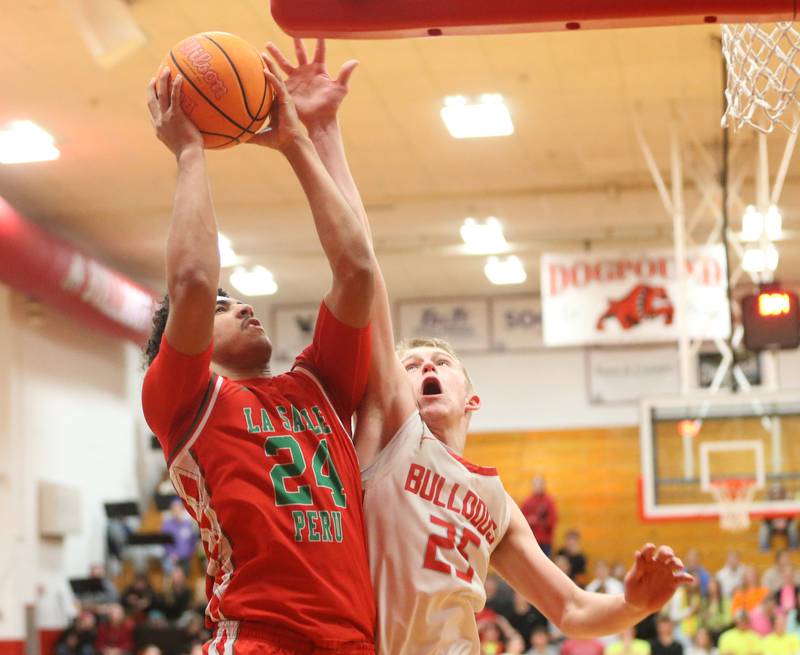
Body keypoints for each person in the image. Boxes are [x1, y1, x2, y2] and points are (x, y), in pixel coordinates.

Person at [264, 37, 694, 655]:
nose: (425, 368)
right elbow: (364, 265)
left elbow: (570, 607)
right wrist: (325, 130)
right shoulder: (389, 430)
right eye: (411, 364)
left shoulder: (494, 499)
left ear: (472, 401)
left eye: (441, 363)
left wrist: (634, 605)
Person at [141, 59, 377, 653]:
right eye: (225, 307)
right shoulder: (185, 401)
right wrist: (190, 152)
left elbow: (357, 272)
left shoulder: (316, 384)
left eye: (239, 300)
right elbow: (193, 281)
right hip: (259, 640)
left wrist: (297, 140)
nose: (242, 306)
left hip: (352, 641)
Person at [520, 476, 559, 557]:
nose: (537, 487)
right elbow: (520, 520)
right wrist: (529, 521)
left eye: (539, 484)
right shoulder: (527, 501)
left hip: (545, 542)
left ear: (543, 485)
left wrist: (538, 522)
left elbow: (553, 520)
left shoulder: (549, 501)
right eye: (535, 484)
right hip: (531, 541)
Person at [159, 498, 197, 576]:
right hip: (172, 557)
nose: (176, 511)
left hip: (187, 557)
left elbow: (193, 540)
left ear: (182, 509)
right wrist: (171, 554)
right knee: (170, 567)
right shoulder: (166, 525)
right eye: (174, 509)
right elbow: (165, 543)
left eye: (178, 508)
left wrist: (191, 552)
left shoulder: (188, 524)